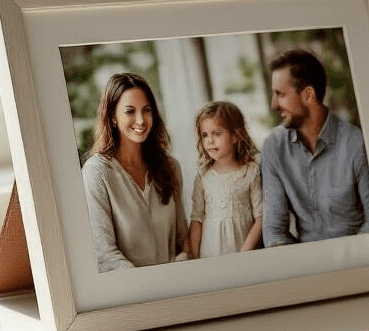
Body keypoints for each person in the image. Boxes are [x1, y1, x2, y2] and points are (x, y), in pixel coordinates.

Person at [260, 48, 369, 246]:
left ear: (308, 95)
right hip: (305, 260)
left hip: (355, 254)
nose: (274, 104)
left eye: (280, 94)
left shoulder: (356, 142)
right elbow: (274, 229)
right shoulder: (274, 146)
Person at [81, 72, 188, 272]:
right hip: (131, 294)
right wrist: (147, 286)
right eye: (130, 111)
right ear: (113, 116)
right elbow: (105, 254)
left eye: (146, 110)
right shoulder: (96, 173)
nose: (140, 120)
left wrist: (183, 259)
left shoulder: (171, 167)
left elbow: (182, 241)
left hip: (175, 287)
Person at [189, 100, 263, 258]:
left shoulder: (250, 172)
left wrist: (244, 254)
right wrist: (194, 259)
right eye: (205, 135)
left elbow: (260, 219)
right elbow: (197, 220)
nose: (210, 140)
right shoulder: (203, 176)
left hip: (245, 257)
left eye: (217, 133)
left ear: (236, 136)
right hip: (210, 257)